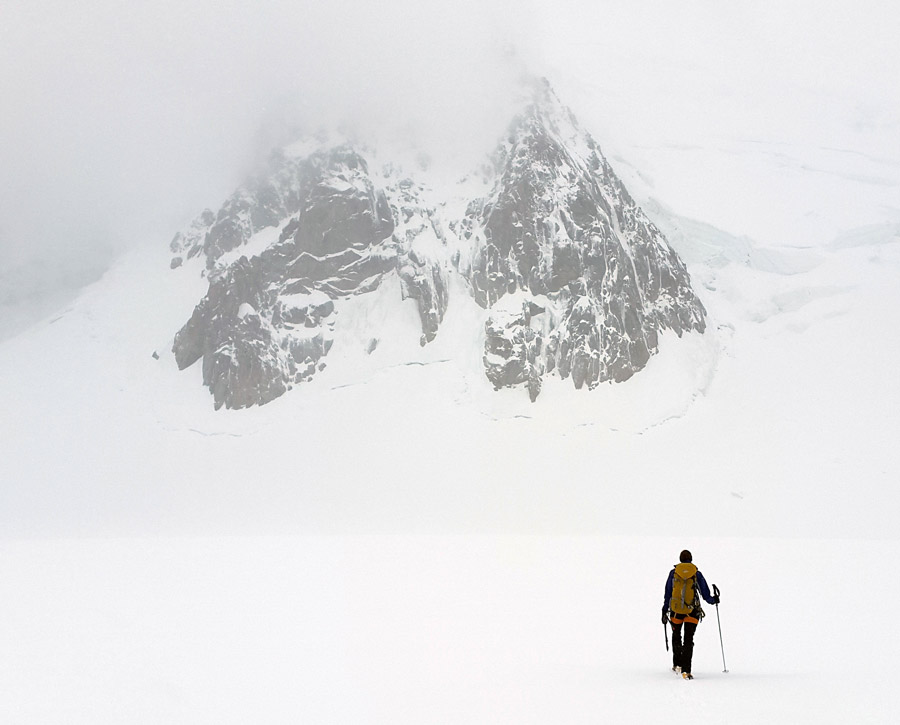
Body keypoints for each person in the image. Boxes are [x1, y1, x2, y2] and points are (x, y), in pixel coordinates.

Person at [662, 549, 719, 680]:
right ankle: (686, 671)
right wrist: (714, 600)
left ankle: (677, 664)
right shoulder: (696, 573)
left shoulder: (673, 573)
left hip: (676, 611)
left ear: (680, 559)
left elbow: (668, 592)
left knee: (676, 636)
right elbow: (705, 594)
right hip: (692, 612)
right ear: (691, 559)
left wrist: (665, 609)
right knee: (689, 639)